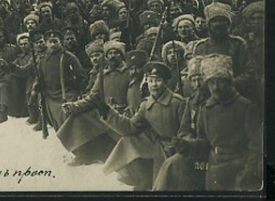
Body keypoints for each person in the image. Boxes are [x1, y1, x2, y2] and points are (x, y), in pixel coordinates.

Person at [173, 54, 262, 191]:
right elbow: (205, 142)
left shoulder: (245, 107)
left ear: (229, 81)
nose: (216, 87)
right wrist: (188, 145)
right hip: (214, 171)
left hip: (239, 169)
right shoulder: (206, 108)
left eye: (220, 81)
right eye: (211, 82)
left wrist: (248, 173)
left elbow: (256, 146)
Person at [101, 62, 185, 190]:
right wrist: (108, 113)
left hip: (176, 148)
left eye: (158, 80)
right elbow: (129, 127)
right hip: (157, 145)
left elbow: (186, 129)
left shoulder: (177, 102)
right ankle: (144, 180)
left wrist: (180, 144)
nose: (154, 85)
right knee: (128, 140)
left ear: (166, 83)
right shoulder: (146, 105)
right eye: (151, 81)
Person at [153, 56, 209, 191]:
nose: (197, 85)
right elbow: (184, 129)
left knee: (175, 164)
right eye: (193, 80)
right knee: (171, 164)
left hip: (208, 154)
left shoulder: (215, 102)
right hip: (192, 150)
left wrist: (191, 145)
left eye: (200, 79)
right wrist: (186, 140)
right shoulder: (191, 102)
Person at [193, 2, 254, 97]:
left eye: (222, 20)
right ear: (209, 25)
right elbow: (196, 74)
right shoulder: (200, 47)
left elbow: (249, 72)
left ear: (228, 24)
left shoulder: (238, 44)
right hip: (207, 97)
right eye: (214, 21)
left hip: (234, 95)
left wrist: (229, 84)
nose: (218, 24)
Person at [35, 30, 86, 131]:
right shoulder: (42, 59)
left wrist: (77, 90)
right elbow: (39, 76)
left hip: (66, 93)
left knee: (70, 120)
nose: (53, 44)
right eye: (50, 42)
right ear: (46, 43)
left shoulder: (68, 57)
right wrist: (37, 85)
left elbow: (81, 75)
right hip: (50, 95)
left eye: (55, 41)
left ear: (60, 42)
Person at [0, 27, 22, 124]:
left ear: (4, 38)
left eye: (1, 37)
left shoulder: (12, 49)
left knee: (3, 85)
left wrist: (7, 66)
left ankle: (2, 113)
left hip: (12, 78)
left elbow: (19, 62)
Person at [125, 50, 148, 115]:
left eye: (138, 68)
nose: (134, 72)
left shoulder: (147, 85)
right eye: (131, 69)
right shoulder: (131, 84)